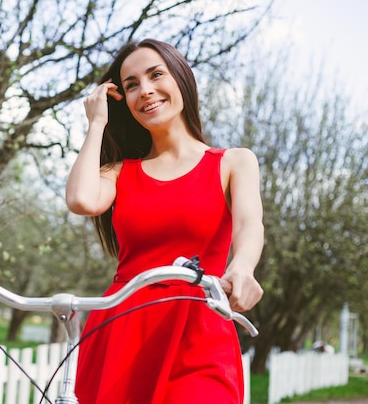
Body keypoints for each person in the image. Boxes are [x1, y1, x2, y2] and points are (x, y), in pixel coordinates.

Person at [65, 38, 265, 404]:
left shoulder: (234, 162)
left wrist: (244, 268)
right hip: (121, 329)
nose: (146, 90)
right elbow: (80, 199)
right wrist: (96, 123)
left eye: (156, 74)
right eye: (131, 85)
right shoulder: (118, 173)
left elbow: (249, 225)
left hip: (200, 328)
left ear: (181, 78)